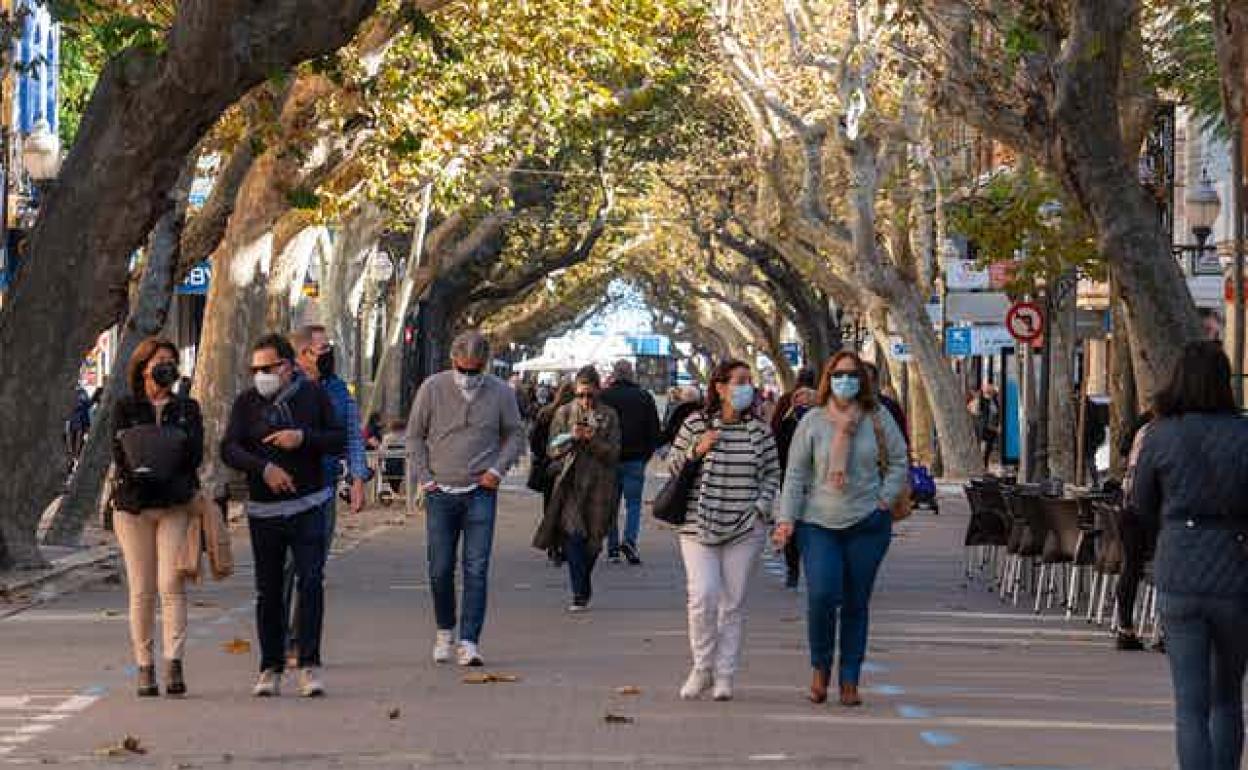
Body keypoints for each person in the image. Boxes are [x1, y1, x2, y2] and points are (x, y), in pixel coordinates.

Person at [1132, 341, 1248, 770]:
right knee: (1227, 697)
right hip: (1235, 571)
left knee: (1190, 704)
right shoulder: (1244, 435)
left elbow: (1140, 504)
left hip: (1179, 567)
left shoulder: (1161, 435)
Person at [773, 351, 907, 708]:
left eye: (851, 374)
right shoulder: (812, 420)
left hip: (868, 523)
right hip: (818, 523)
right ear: (828, 378)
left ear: (862, 380)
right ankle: (820, 670)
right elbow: (796, 474)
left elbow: (899, 461)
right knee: (821, 596)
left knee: (855, 603)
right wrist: (786, 519)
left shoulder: (877, 417)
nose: (844, 381)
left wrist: (884, 500)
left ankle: (850, 679)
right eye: (838, 374)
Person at [222, 334, 345, 698]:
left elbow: (337, 437)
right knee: (269, 589)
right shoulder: (246, 403)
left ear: (288, 367)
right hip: (264, 510)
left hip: (309, 505)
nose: (261, 375)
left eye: (268, 367)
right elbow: (229, 448)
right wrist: (263, 469)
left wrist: (302, 438)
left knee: (310, 581)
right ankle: (270, 666)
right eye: (255, 369)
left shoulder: (314, 395)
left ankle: (308, 663)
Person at [407, 330, 525, 668]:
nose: (469, 377)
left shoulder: (501, 393)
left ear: (485, 365)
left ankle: (470, 640)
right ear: (453, 362)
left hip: (480, 492)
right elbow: (415, 436)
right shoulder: (432, 388)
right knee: (440, 567)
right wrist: (425, 479)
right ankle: (445, 628)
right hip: (440, 493)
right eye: (464, 370)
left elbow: (516, 433)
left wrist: (498, 471)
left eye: (476, 371)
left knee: (476, 567)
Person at [669, 360, 781, 702]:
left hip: (744, 529)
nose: (747, 387)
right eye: (739, 381)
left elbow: (772, 474)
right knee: (702, 596)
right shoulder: (695, 423)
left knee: (731, 604)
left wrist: (760, 509)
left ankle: (725, 675)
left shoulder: (760, 431)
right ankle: (702, 667)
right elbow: (672, 466)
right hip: (697, 525)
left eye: (749, 381)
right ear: (720, 387)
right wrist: (696, 450)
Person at [111, 338, 204, 697]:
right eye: (159, 360)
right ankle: (144, 666)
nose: (166, 366)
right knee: (142, 588)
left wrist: (163, 456)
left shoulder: (187, 408)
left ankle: (174, 662)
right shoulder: (125, 407)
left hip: (174, 505)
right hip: (133, 507)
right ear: (143, 366)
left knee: (171, 583)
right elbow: (120, 455)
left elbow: (194, 454)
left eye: (171, 360)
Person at [534, 367, 622, 611]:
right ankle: (579, 594)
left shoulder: (610, 416)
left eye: (590, 395)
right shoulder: (564, 413)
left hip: (600, 485)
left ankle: (583, 583)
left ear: (598, 391)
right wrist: (571, 438)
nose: (586, 401)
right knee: (574, 536)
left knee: (594, 541)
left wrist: (592, 440)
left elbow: (614, 453)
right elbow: (552, 449)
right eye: (581, 395)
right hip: (570, 483)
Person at [599, 359, 661, 565]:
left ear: (615, 374)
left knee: (610, 504)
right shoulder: (644, 397)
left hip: (609, 458)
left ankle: (613, 549)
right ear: (632, 374)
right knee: (633, 504)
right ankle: (630, 541)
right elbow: (654, 430)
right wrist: (646, 455)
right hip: (635, 458)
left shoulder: (604, 397)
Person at [771, 384, 817, 588]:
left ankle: (809, 567)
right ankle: (793, 568)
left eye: (807, 399)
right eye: (799, 399)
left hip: (817, 482)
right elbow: (778, 449)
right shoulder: (787, 421)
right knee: (792, 522)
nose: (802, 402)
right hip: (792, 479)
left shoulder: (822, 422)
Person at [973, 382, 1001, 469]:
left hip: (993, 428)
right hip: (985, 427)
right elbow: (978, 410)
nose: (991, 390)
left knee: (989, 448)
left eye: (991, 389)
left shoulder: (995, 401)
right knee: (982, 447)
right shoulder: (983, 400)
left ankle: (985, 465)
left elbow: (998, 413)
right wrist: (979, 396)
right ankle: (981, 464)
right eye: (989, 389)